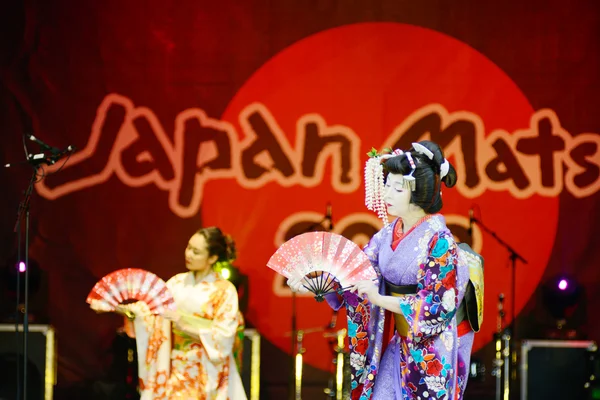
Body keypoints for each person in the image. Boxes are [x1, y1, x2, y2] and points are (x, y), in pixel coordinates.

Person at [289, 141, 483, 400]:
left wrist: (380, 299)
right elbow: (358, 272)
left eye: (396, 188)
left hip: (431, 351)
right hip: (400, 344)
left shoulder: (440, 241)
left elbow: (436, 306)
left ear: (417, 193)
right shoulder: (387, 235)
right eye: (386, 186)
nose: (387, 194)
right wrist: (317, 282)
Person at [119, 227, 247, 400]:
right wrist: (128, 311)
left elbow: (224, 336)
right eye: (188, 248)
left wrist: (184, 326)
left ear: (213, 258)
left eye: (196, 252)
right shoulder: (176, 283)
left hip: (208, 368)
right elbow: (154, 312)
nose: (189, 254)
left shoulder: (224, 291)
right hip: (175, 366)